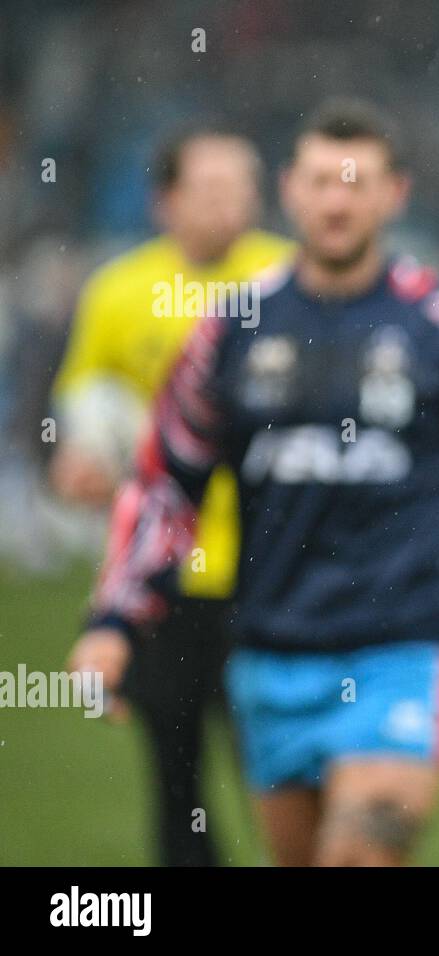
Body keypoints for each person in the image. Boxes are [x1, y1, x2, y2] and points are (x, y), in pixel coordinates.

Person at [67, 99, 439, 866]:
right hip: (271, 656)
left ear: (394, 193)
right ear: (290, 189)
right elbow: (168, 484)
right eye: (320, 181)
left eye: (357, 182)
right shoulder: (234, 327)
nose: (337, 200)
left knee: (358, 856)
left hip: (404, 652)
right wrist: (114, 619)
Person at [50, 124, 292, 866]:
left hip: (276, 568)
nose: (227, 206)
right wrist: (78, 464)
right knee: (176, 776)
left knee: (286, 776)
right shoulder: (117, 292)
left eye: (240, 188)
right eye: (208, 189)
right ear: (164, 200)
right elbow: (82, 408)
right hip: (165, 574)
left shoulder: (288, 280)